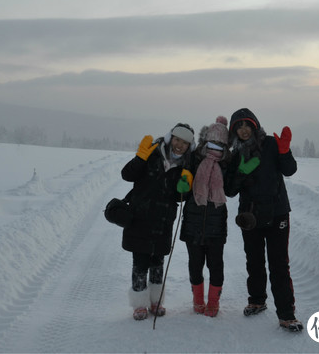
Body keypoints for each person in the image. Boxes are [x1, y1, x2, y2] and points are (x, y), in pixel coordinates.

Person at [224, 108, 303, 332]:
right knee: (254, 260)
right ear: (233, 131)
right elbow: (229, 190)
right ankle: (257, 300)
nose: (244, 130)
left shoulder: (269, 144)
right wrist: (239, 172)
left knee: (279, 263)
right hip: (250, 216)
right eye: (238, 126)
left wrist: (285, 151)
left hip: (278, 212)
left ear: (255, 125)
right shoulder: (235, 153)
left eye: (247, 125)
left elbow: (290, 169)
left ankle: (287, 314)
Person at [121, 123, 195, 320]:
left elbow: (180, 198)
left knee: (157, 262)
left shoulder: (186, 165)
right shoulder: (152, 152)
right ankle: (139, 304)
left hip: (163, 220)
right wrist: (139, 159)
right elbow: (126, 175)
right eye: (177, 139)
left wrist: (184, 190)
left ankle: (155, 301)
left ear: (189, 146)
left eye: (185, 143)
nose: (179, 145)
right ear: (171, 138)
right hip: (140, 217)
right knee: (140, 262)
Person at [180, 116, 231, 317]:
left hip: (216, 223)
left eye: (220, 143)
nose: (215, 146)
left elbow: (233, 189)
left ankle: (213, 302)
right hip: (193, 219)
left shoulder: (228, 164)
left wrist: (242, 173)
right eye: (212, 141)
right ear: (205, 140)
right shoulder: (194, 158)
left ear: (225, 145)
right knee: (195, 264)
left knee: (216, 264)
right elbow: (181, 184)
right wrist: (183, 183)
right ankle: (198, 299)